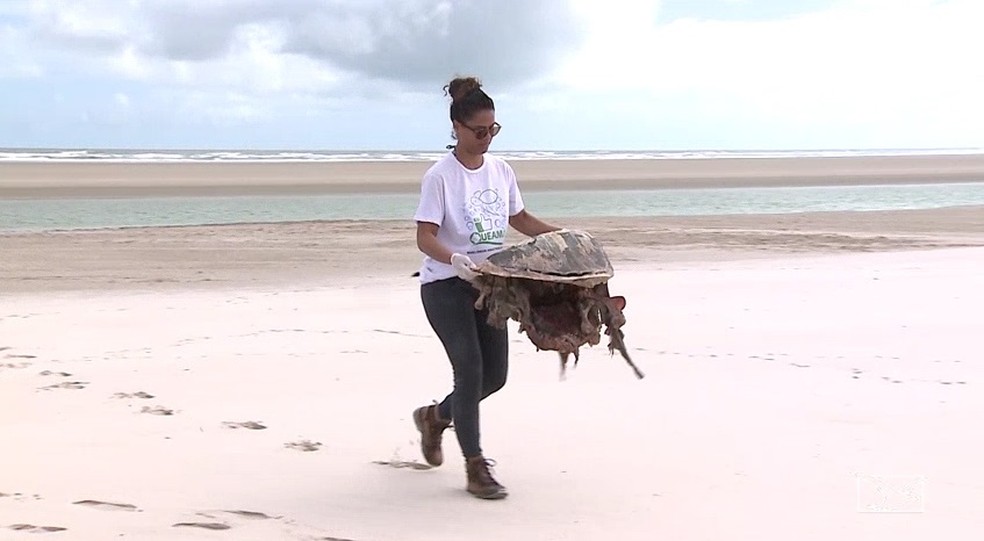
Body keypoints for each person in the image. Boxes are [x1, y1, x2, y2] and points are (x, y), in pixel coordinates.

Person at [411, 76, 560, 500]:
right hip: (445, 285)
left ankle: (435, 417)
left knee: (495, 377)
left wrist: (562, 235)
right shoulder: (440, 177)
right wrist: (455, 260)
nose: (487, 138)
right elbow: (425, 237)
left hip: (490, 287)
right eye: (479, 131)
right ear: (457, 128)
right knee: (470, 370)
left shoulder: (501, 171)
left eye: (493, 129)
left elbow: (520, 220)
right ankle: (476, 467)